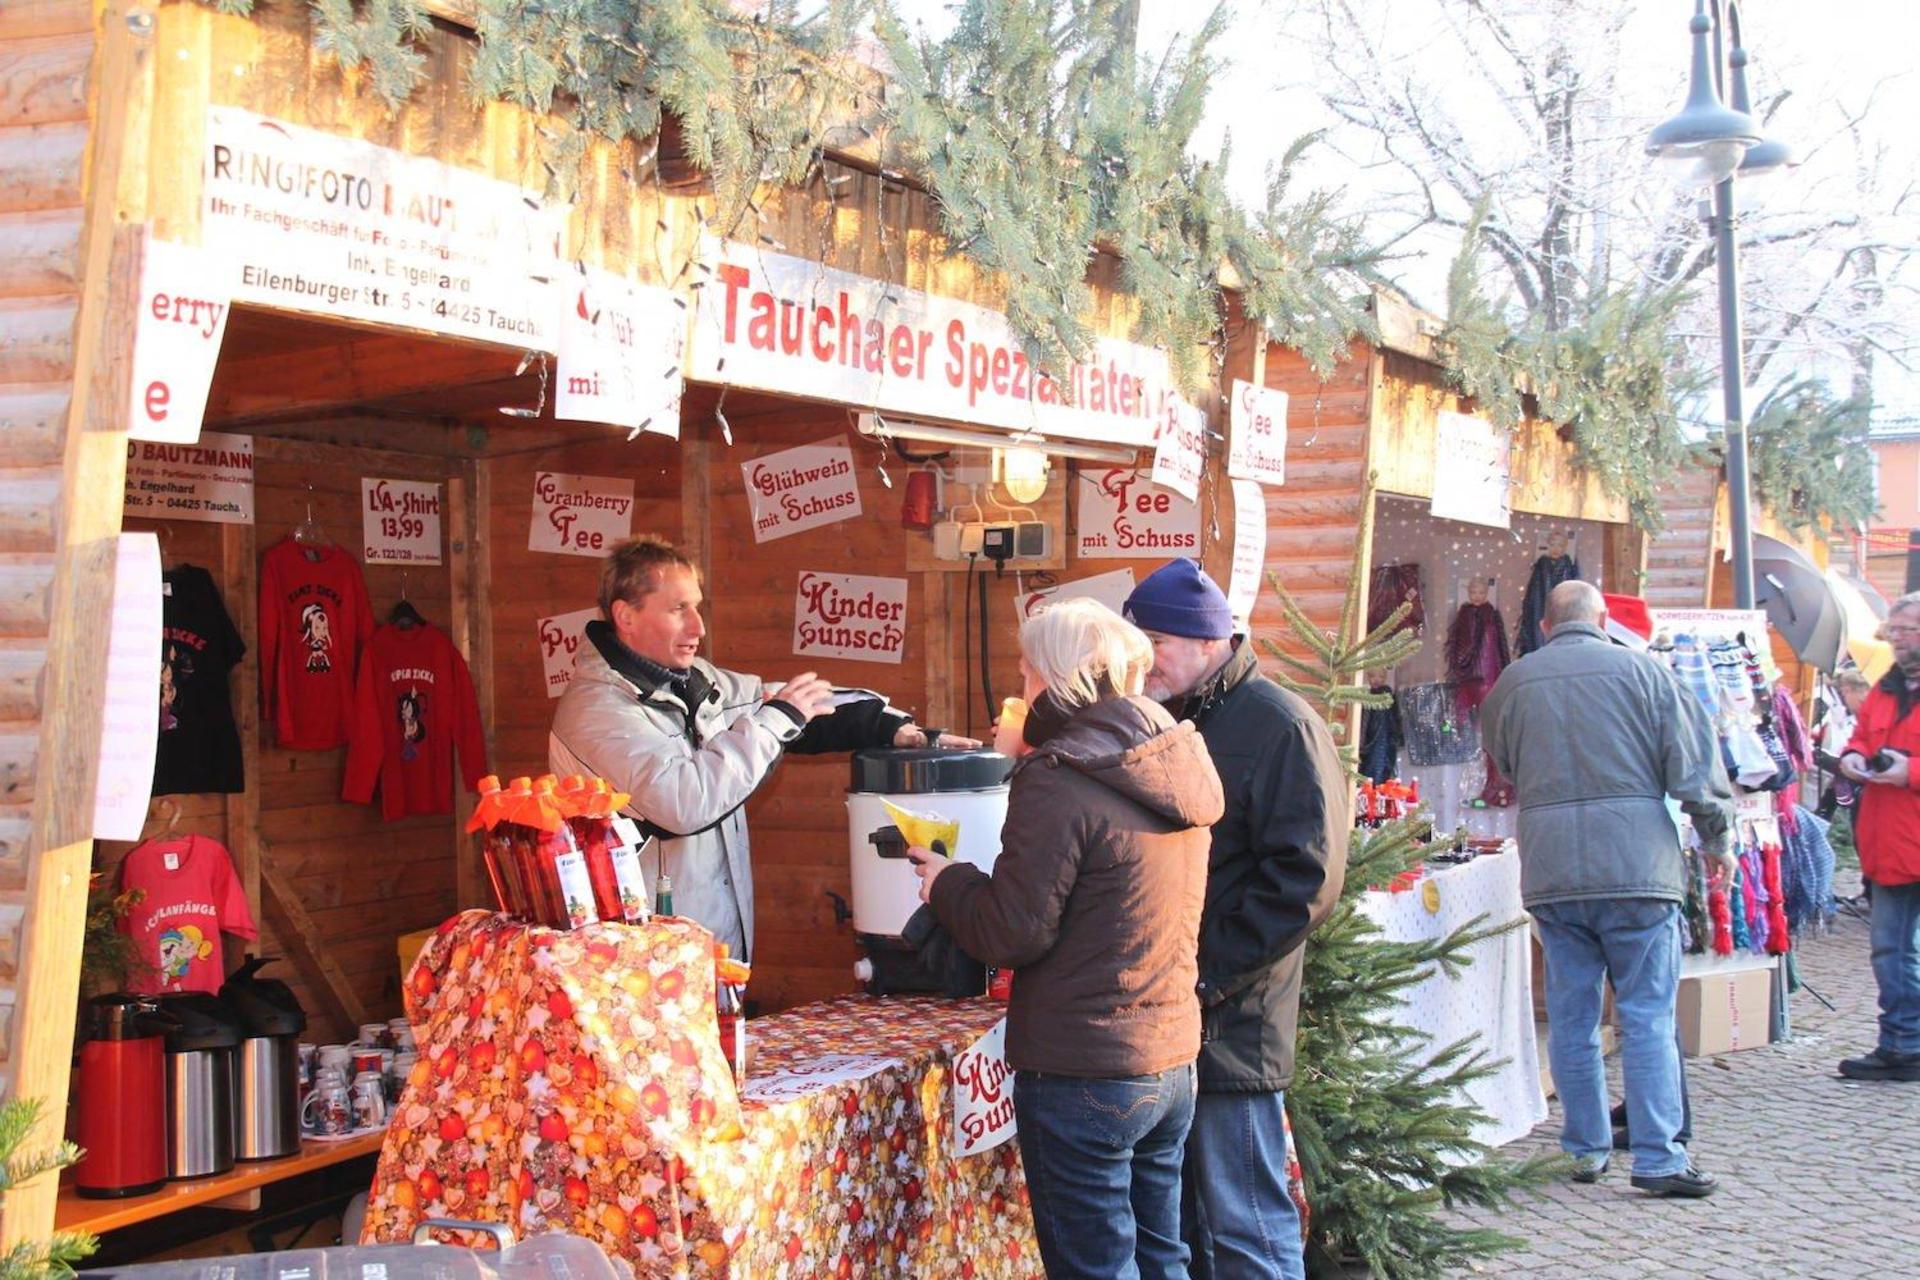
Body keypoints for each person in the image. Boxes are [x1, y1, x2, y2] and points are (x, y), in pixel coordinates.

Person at [906, 599, 1222, 1280]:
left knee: (1097, 1268)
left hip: (1085, 1066)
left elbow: (1013, 930)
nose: (1021, 689)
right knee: (1160, 1255)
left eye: (1025, 674)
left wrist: (948, 881)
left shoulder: (1058, 776)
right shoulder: (1169, 757)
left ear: (1050, 677)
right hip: (1168, 1059)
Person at [551, 536, 964, 958]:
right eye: (679, 610)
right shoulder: (596, 711)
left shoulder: (693, 679)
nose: (699, 627)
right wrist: (778, 719)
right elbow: (683, 803)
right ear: (626, 616)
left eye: (698, 606)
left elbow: (789, 708)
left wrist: (892, 727)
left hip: (703, 946)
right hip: (634, 962)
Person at [1122, 559, 1349, 1280]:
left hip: (1234, 1023)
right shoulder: (1173, 719)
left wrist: (1203, 974)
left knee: (1247, 1224)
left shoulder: (1281, 727)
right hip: (1178, 1015)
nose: (1143, 660)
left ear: (1206, 639)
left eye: (1155, 640)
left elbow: (1306, 880)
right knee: (1189, 1226)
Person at [1481, 580, 1735, 1197]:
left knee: (1572, 1016)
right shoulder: (1647, 674)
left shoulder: (1513, 682)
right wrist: (1717, 840)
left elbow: (1504, 764)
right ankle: (1658, 1158)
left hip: (1553, 870)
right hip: (1638, 866)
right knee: (1646, 1015)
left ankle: (1585, 1149)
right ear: (1602, 620)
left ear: (1545, 626)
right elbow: (1694, 770)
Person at [1834, 594, 1920, 1082]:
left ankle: (1906, 1042)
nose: (1897, 638)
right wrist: (1853, 757)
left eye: (1907, 629)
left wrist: (1910, 772)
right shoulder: (1886, 689)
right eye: (1895, 629)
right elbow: (1862, 737)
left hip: (1906, 832)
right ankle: (1902, 1043)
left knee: (1897, 948)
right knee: (1890, 948)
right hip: (1889, 841)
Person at [1815, 668, 1871, 821]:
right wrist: (1836, 764)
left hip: (1831, 785)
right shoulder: (1821, 701)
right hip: (1812, 783)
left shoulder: (1850, 711)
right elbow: (1803, 742)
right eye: (1862, 701)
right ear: (1847, 690)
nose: (1864, 707)